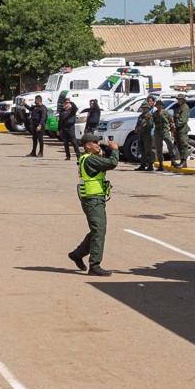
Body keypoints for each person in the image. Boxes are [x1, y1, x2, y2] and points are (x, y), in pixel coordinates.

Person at [66, 135, 119, 277]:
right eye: (95, 142)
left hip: (95, 199)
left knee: (97, 230)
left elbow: (102, 165)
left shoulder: (88, 158)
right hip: (93, 200)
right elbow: (112, 163)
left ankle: (77, 254)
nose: (98, 144)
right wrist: (114, 150)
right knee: (99, 231)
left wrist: (102, 154)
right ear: (87, 145)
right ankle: (95, 265)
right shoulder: (89, 159)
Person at [169, 101, 191, 171]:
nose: (179, 101)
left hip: (182, 130)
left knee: (183, 145)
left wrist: (176, 125)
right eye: (178, 99)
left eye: (180, 99)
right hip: (178, 130)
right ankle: (182, 161)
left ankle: (184, 162)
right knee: (179, 145)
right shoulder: (180, 107)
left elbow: (182, 120)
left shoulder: (185, 107)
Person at [57, 97, 79, 161]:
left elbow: (75, 107)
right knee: (65, 143)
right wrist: (58, 129)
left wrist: (70, 102)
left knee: (74, 142)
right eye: (65, 103)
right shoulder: (62, 111)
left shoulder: (72, 110)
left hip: (70, 128)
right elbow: (60, 121)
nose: (66, 104)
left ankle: (78, 155)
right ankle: (68, 156)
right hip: (64, 128)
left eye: (67, 103)